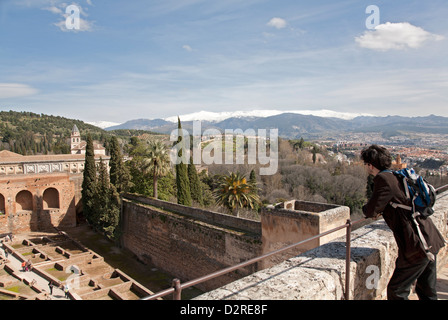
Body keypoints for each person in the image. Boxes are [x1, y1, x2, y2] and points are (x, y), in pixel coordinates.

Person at [361, 144, 445, 300]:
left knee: (397, 290)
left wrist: (366, 208)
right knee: (427, 291)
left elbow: (371, 210)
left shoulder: (383, 179)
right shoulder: (397, 175)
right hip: (429, 237)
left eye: (366, 164)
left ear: (370, 165)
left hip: (417, 246)